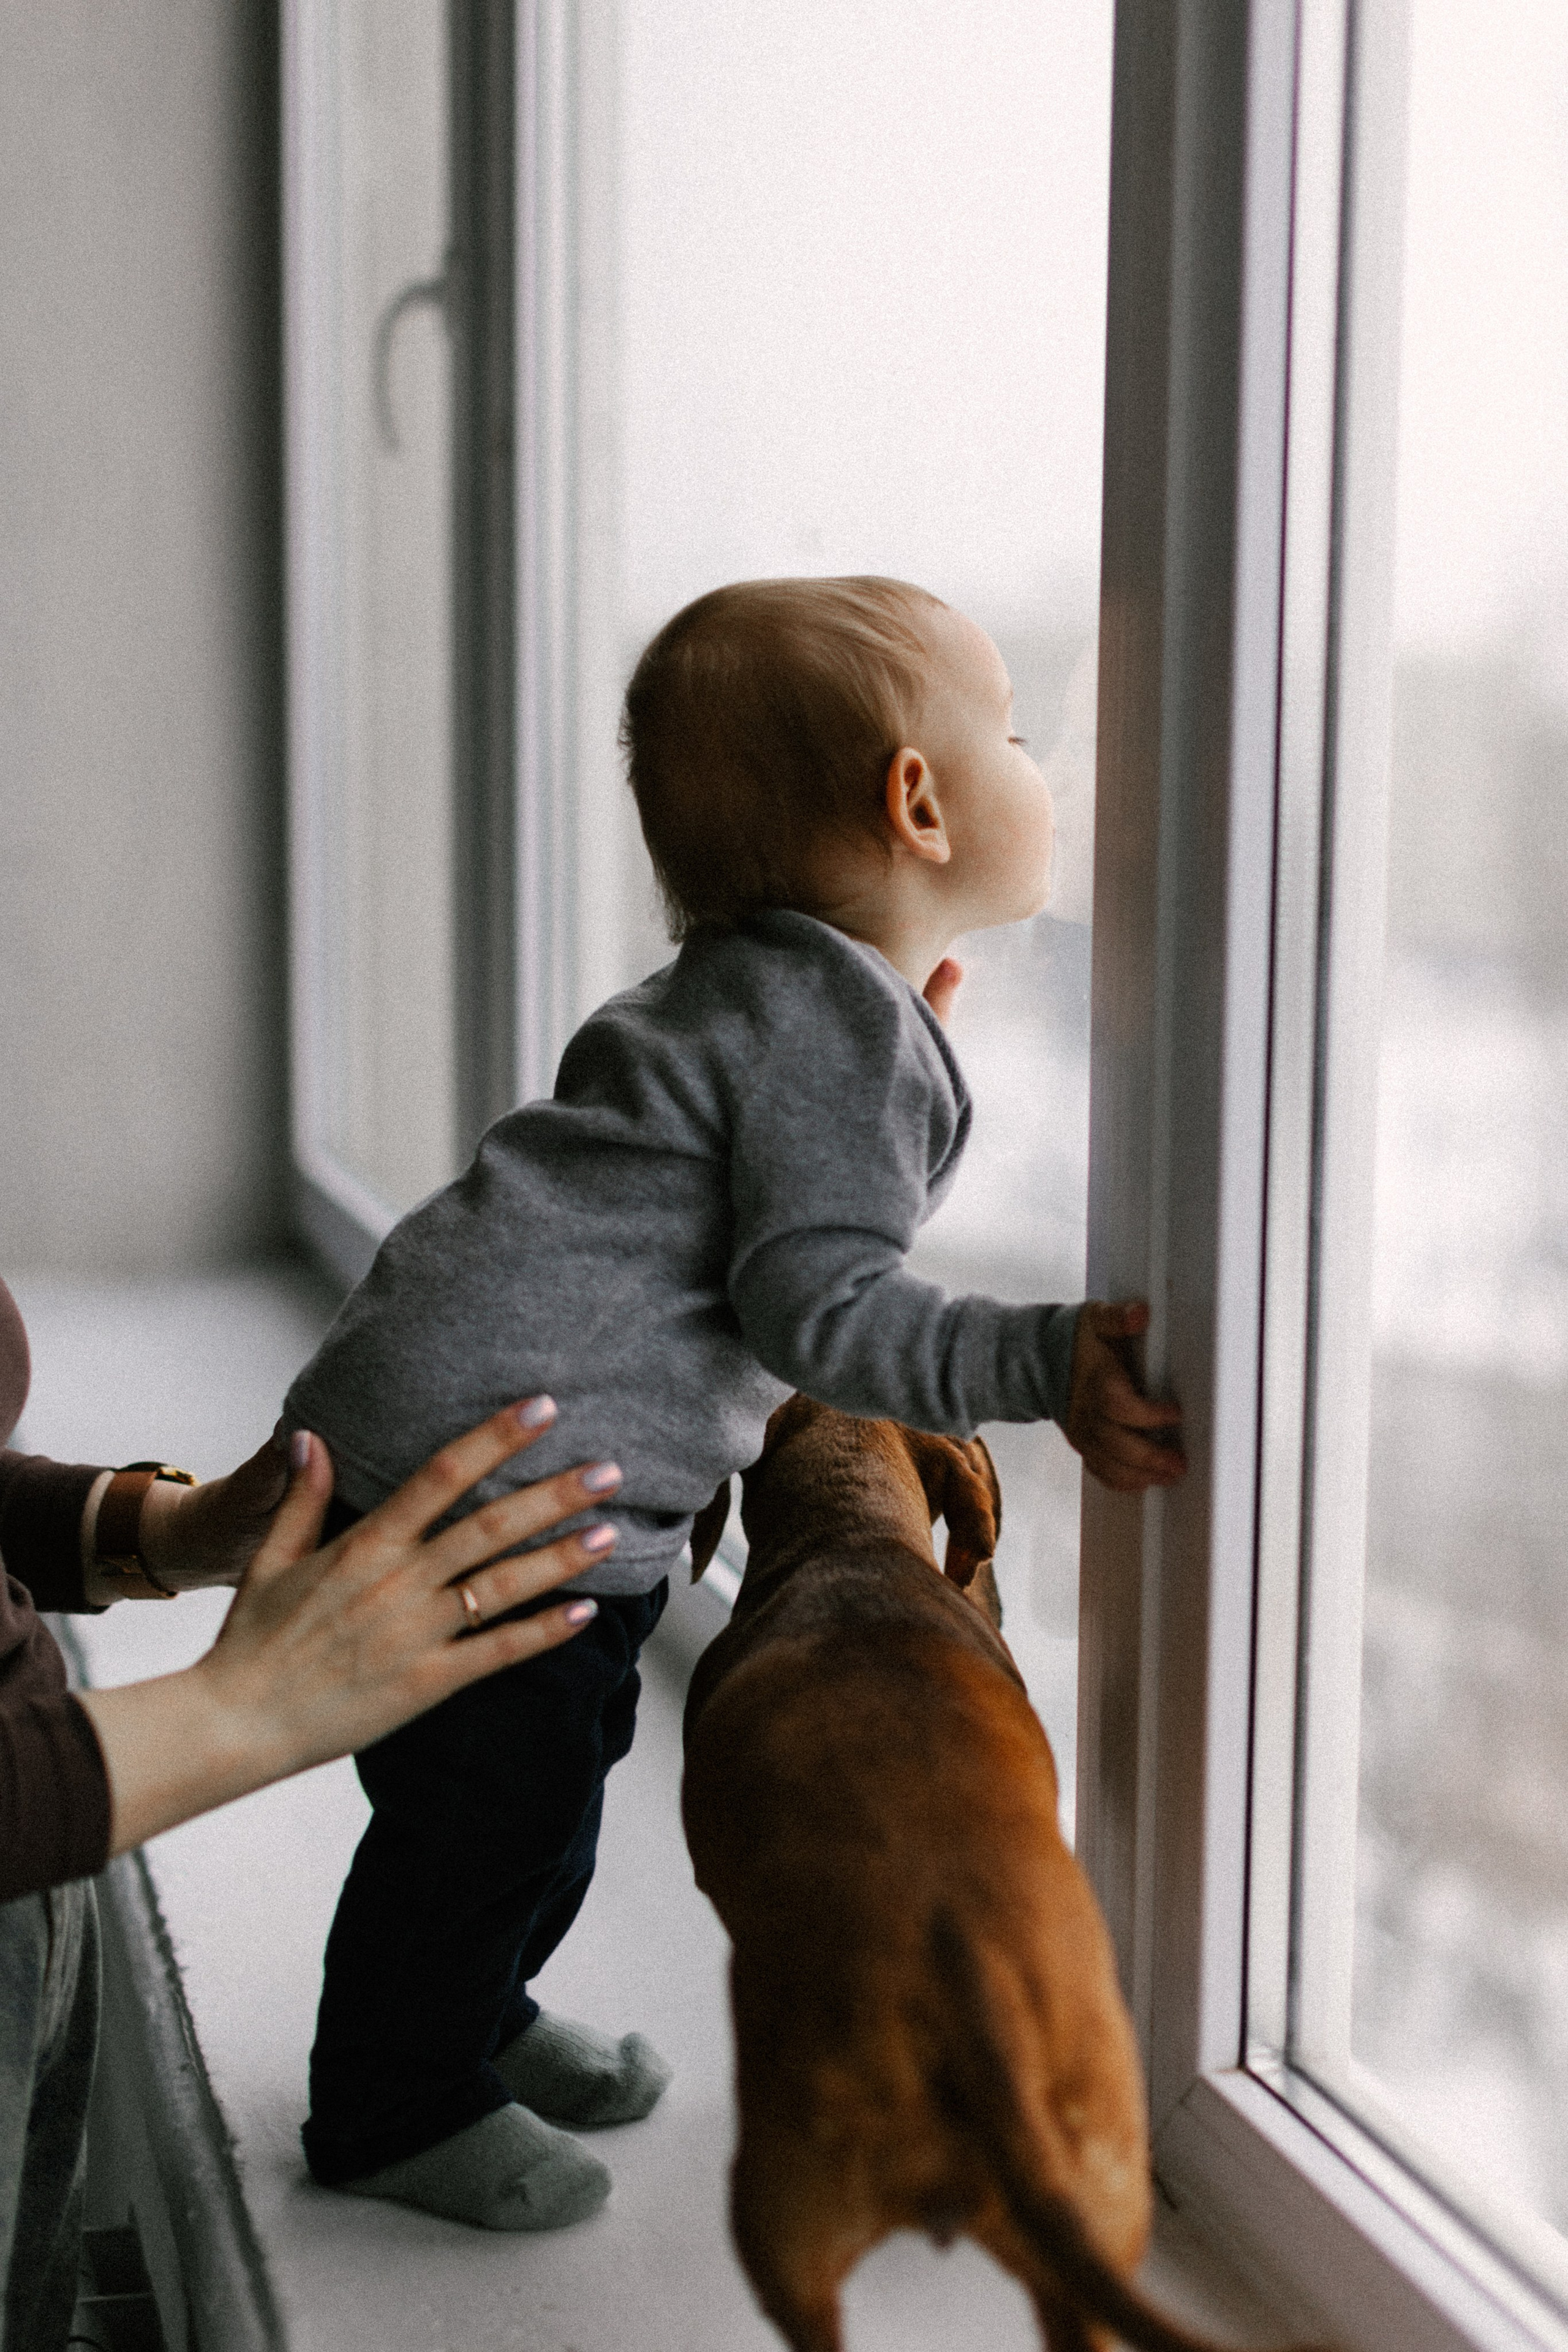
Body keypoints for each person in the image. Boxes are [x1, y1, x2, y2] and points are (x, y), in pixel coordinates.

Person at [282, 575, 1187, 2237]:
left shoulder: (744, 988)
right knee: (489, 1814)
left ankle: (468, 2018)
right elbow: (819, 1313)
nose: (1036, 764)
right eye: (1010, 735)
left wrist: (887, 1041)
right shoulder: (834, 1035)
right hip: (497, 1499)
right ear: (918, 804)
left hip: (432, 1444)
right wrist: (1042, 1363)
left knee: (532, 1792)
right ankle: (391, 2102)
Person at [0, 1271, 617, 2352]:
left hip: (41, 1841)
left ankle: (480, 2014)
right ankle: (404, 2099)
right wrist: (238, 1710)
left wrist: (165, 1529)